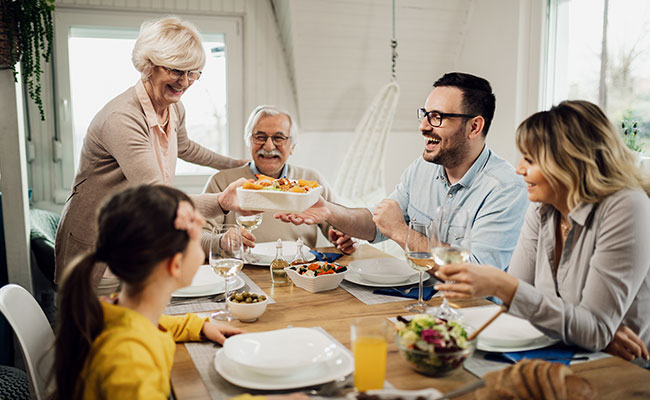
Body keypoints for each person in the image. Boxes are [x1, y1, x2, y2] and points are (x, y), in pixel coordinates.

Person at [434, 100, 650, 359]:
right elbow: (518, 309)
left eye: (530, 159)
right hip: (566, 351)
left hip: (621, 369)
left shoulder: (627, 207)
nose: (519, 169)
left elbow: (592, 329)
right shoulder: (544, 207)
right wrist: (584, 331)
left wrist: (505, 286)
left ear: (570, 162)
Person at [55, 16, 248, 292]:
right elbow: (158, 198)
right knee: (104, 333)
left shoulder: (174, 108)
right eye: (176, 71)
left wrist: (235, 164)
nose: (185, 82)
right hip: (101, 251)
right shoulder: (122, 118)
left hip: (138, 240)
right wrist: (222, 201)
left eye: (193, 72)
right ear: (149, 66)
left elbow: (185, 147)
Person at [276, 72, 528, 270]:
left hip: (473, 315)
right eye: (425, 114)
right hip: (417, 298)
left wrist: (400, 232)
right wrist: (328, 211)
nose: (423, 126)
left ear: (474, 126)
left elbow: (474, 275)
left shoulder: (505, 188)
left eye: (437, 117)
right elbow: (376, 224)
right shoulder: (422, 168)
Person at [52, 185, 244, 399]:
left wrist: (199, 326)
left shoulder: (116, 308)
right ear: (175, 265)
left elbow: (153, 323)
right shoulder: (131, 364)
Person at [202, 105, 356, 254]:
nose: (269, 146)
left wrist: (343, 237)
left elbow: (339, 224)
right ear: (249, 142)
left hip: (300, 272)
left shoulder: (312, 180)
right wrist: (222, 241)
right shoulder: (221, 182)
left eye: (278, 138)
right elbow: (197, 237)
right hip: (242, 273)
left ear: (292, 146)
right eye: (260, 137)